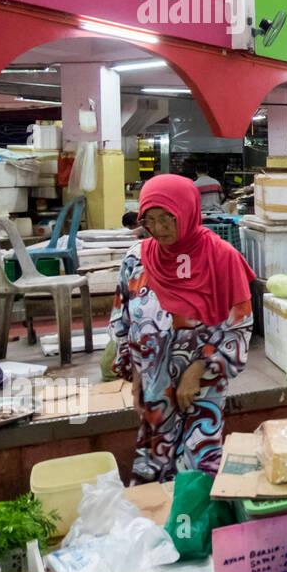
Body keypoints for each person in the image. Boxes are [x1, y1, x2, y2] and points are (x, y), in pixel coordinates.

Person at [109, 175, 256, 481]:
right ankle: (160, 526)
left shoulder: (222, 257)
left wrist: (200, 368)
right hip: (153, 385)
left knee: (197, 467)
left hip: (202, 387)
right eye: (149, 220)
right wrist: (134, 370)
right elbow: (123, 319)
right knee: (154, 462)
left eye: (167, 219)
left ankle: (193, 525)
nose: (158, 229)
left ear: (188, 212)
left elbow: (239, 327)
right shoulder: (136, 259)